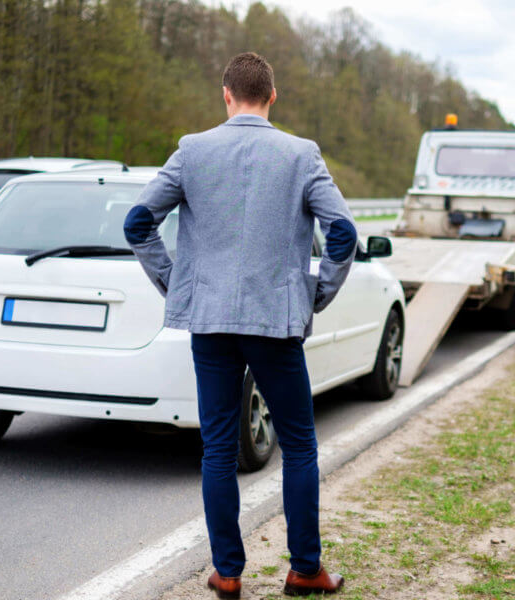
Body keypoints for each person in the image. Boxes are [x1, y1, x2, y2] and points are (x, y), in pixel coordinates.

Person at [123, 52, 355, 598]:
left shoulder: (192, 150)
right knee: (298, 446)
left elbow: (138, 223)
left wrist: (178, 283)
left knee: (219, 448)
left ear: (225, 94)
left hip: (211, 320)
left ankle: (227, 574)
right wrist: (312, 295)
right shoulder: (301, 155)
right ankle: (304, 569)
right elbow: (342, 233)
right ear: (272, 97)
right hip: (275, 321)